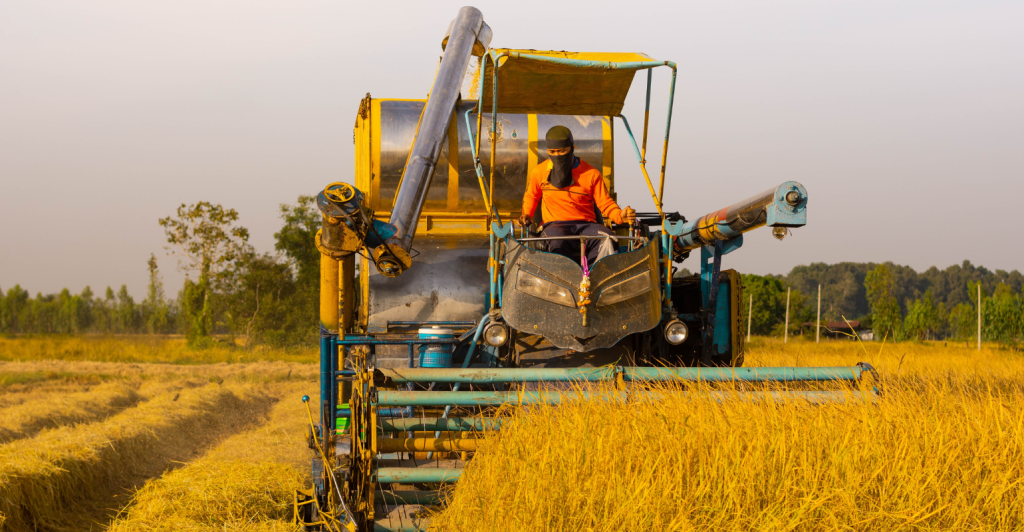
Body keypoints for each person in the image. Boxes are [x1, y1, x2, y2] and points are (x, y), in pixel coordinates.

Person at [519, 125, 636, 265]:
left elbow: (605, 203)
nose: (557, 155)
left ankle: (596, 279)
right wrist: (527, 214)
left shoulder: (591, 174)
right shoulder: (539, 172)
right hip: (555, 226)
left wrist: (620, 215)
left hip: (587, 225)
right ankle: (561, 281)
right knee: (557, 242)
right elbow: (532, 196)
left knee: (608, 239)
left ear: (572, 148)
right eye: (552, 151)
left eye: (562, 151)